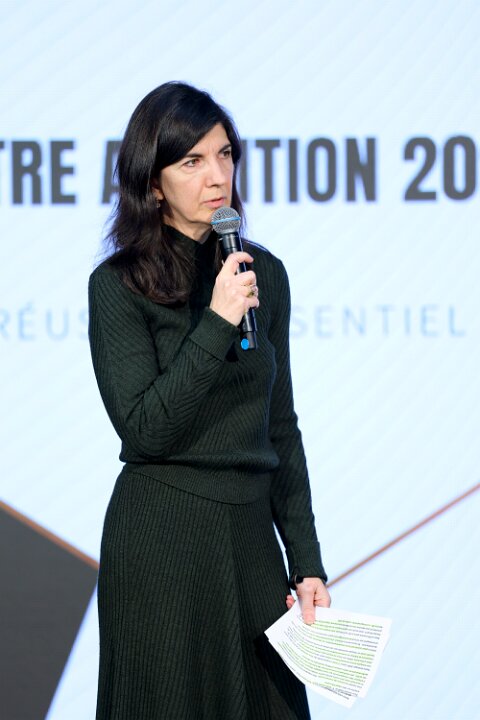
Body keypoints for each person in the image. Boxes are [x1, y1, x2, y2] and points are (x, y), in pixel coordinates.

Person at [88, 80, 330, 720]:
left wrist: (307, 563)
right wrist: (217, 322)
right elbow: (145, 430)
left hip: (250, 540)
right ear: (153, 182)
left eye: (224, 155)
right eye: (192, 161)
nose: (216, 176)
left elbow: (280, 426)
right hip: (164, 542)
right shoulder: (118, 285)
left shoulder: (261, 272)